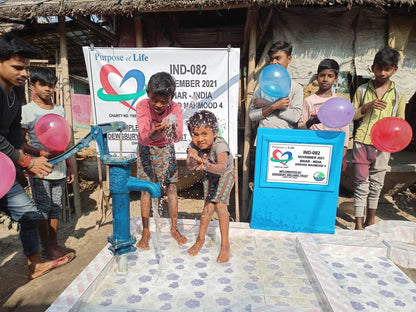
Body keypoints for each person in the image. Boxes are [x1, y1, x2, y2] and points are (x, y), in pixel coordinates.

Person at [0, 32, 74, 279]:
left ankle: (35, 265)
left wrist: (18, 167)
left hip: (5, 168)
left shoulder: (15, 92)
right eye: (17, 67)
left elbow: (11, 135)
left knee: (30, 215)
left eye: (26, 69)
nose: (23, 73)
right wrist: (26, 160)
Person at [21, 67, 75, 260]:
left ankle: (53, 245)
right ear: (32, 85)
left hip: (59, 167)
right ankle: (46, 248)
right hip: (40, 167)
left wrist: (69, 165)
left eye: (51, 85)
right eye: (42, 84)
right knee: (43, 208)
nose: (47, 89)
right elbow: (20, 142)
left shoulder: (59, 110)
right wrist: (39, 153)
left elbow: (64, 139)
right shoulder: (27, 111)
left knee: (55, 208)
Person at [351, 46, 406, 230]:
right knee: (361, 184)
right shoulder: (361, 90)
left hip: (384, 146)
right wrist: (366, 107)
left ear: (394, 70)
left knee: (376, 185)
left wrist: (395, 140)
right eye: (378, 68)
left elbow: (401, 122)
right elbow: (352, 115)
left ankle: (370, 221)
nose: (382, 72)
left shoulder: (399, 93)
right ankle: (358, 224)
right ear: (372, 68)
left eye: (387, 69)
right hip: (361, 141)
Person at [135, 72, 187, 249]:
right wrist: (157, 131)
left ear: (171, 97)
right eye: (154, 100)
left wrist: (169, 129)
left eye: (163, 101)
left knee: (171, 187)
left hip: (166, 150)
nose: (158, 105)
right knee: (145, 191)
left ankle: (174, 228)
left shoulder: (175, 108)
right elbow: (144, 135)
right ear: (147, 92)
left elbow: (178, 137)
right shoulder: (142, 106)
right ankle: (146, 231)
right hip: (145, 150)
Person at [186, 110, 235, 263]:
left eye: (204, 134)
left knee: (220, 206)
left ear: (214, 132)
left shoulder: (220, 145)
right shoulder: (194, 145)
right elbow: (189, 165)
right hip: (209, 174)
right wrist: (193, 160)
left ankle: (225, 246)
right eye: (195, 134)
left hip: (225, 174)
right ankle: (200, 239)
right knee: (208, 207)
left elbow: (220, 168)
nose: (200, 139)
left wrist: (204, 164)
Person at [298, 59, 349, 167]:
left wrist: (344, 151)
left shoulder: (340, 103)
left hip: (333, 145)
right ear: (317, 77)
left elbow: (344, 129)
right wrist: (311, 122)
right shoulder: (309, 101)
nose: (325, 79)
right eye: (322, 75)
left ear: (336, 78)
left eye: (330, 76)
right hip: (312, 148)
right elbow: (300, 128)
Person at [249, 41, 303, 136]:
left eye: (278, 58)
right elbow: (252, 115)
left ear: (289, 59)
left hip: (286, 138)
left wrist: (267, 104)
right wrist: (274, 106)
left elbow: (295, 117)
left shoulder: (296, 87)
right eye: (271, 59)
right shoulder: (261, 86)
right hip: (263, 137)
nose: (274, 62)